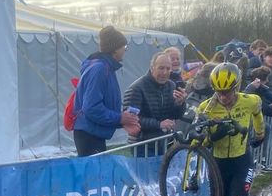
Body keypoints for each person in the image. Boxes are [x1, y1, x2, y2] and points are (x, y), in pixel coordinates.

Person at [196, 62, 264, 196]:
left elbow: (258, 116)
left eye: (227, 92)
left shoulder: (251, 101)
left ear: (236, 86)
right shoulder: (206, 108)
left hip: (241, 163)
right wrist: (211, 133)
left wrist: (260, 135)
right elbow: (202, 141)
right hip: (218, 166)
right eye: (219, 92)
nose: (223, 96)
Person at [72, 26, 141, 156]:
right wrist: (120, 118)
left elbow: (103, 105)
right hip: (89, 135)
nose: (125, 51)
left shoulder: (106, 68)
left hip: (93, 133)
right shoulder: (99, 69)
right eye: (124, 47)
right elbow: (91, 108)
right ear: (115, 49)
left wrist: (124, 120)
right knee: (94, 175)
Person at [123, 52, 187, 152]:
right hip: (142, 146)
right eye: (161, 68)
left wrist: (180, 103)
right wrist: (158, 124)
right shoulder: (137, 88)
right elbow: (131, 120)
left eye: (168, 68)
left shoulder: (171, 85)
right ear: (152, 68)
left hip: (166, 142)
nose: (165, 72)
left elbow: (175, 115)